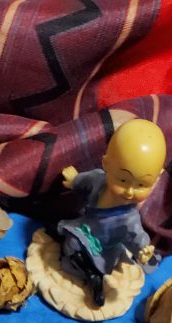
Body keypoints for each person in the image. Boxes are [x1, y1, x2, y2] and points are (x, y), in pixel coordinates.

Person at [56, 118, 166, 306]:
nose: (129, 192)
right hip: (84, 225)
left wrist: (144, 253)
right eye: (123, 180)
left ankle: (93, 277)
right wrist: (74, 180)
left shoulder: (129, 220)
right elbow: (85, 181)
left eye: (141, 185)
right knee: (69, 239)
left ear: (157, 179)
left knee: (75, 248)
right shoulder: (99, 180)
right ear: (106, 164)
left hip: (102, 248)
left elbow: (137, 238)